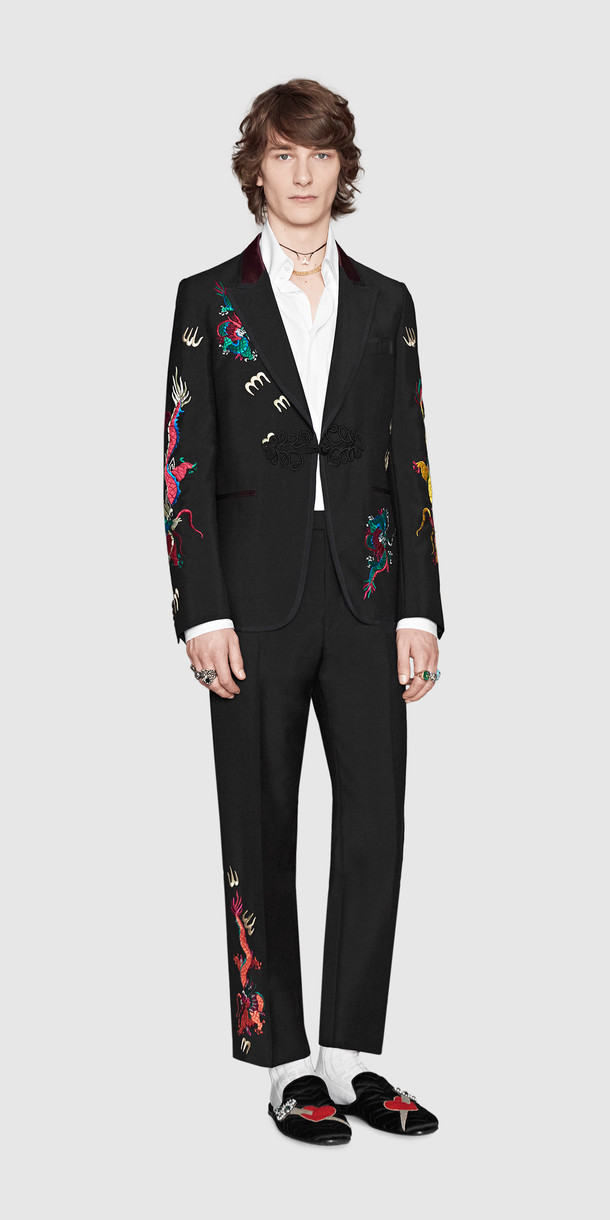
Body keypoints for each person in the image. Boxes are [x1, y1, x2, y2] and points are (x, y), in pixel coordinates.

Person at [163, 78, 445, 1145]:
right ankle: (286, 1064)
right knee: (260, 824)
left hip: (368, 595)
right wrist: (200, 610)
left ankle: (355, 1057)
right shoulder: (210, 298)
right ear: (258, 168)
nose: (301, 173)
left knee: (375, 826)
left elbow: (409, 457)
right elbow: (184, 460)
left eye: (319, 154)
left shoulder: (387, 302)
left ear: (342, 168)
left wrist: (421, 610)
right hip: (251, 605)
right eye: (283, 154)